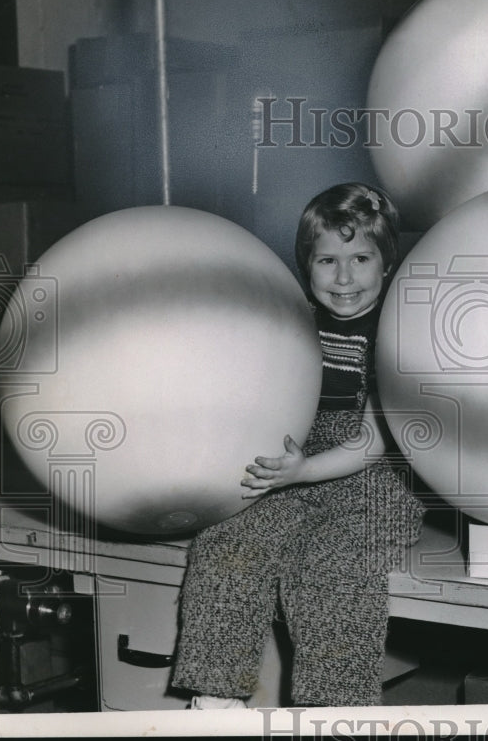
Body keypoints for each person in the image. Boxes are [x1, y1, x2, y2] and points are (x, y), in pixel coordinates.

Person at [171, 182, 424, 708]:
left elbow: (376, 437)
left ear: (388, 264)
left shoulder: (398, 330)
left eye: (361, 258)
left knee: (330, 564)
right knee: (228, 539)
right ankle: (216, 699)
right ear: (306, 266)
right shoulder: (296, 319)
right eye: (327, 260)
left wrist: (305, 471)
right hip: (297, 459)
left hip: (380, 474)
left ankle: (331, 712)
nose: (345, 276)